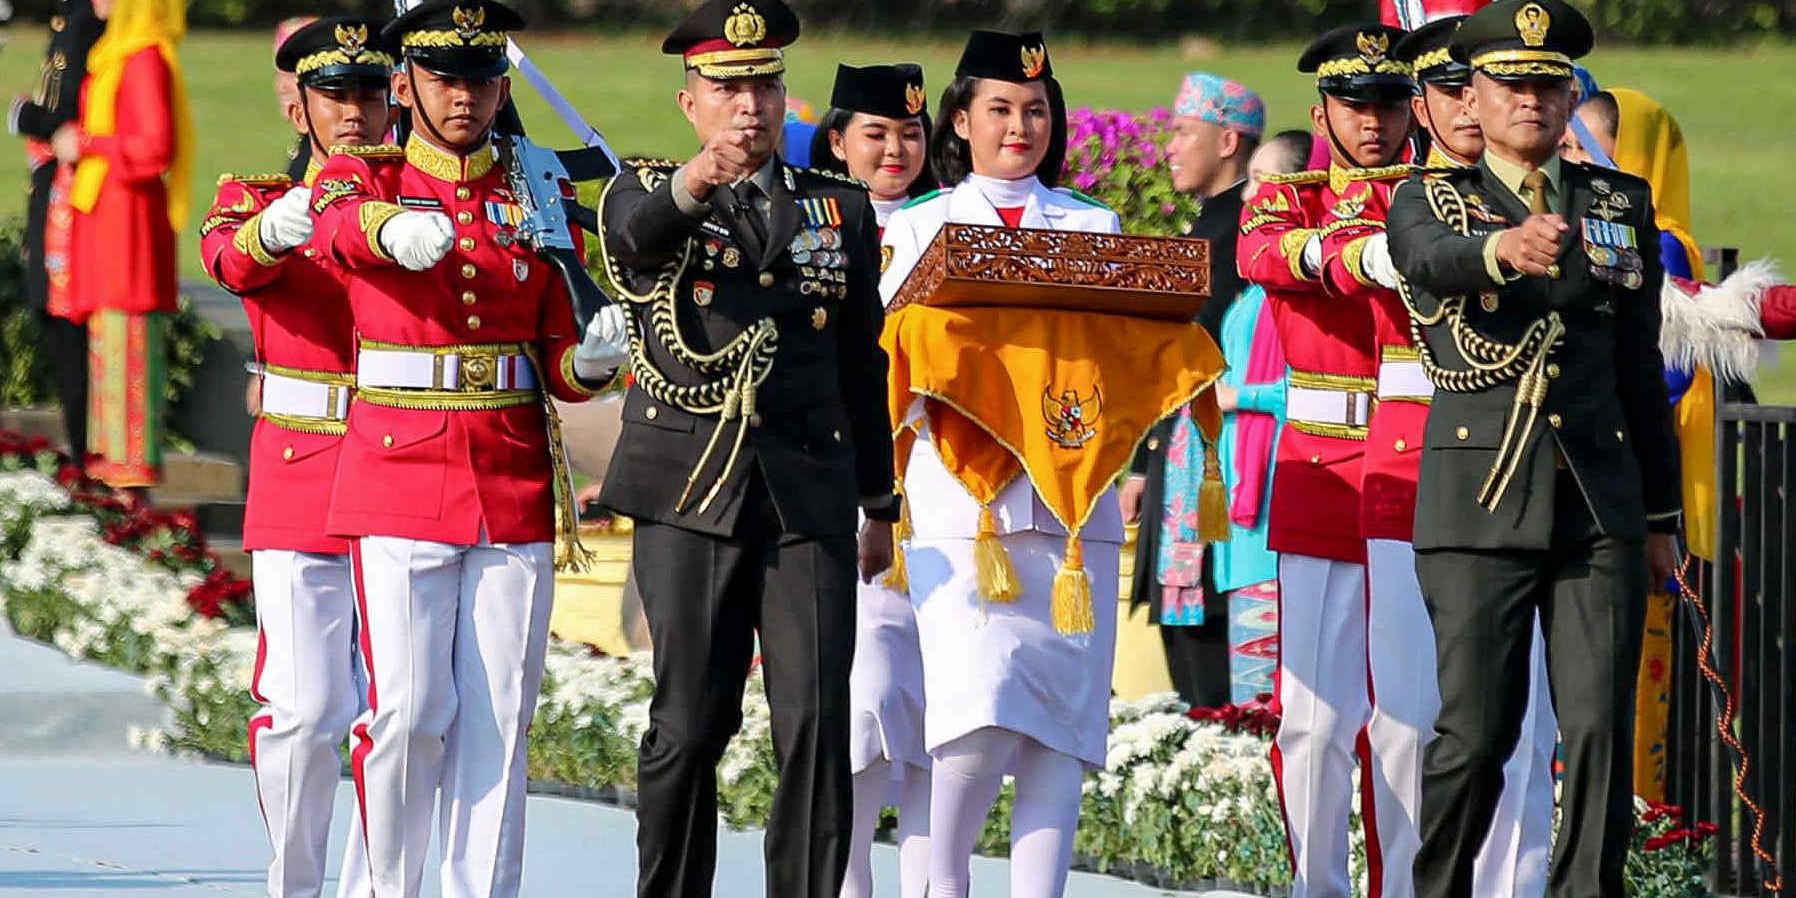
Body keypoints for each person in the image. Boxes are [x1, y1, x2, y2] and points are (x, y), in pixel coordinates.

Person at [593, 1, 898, 895]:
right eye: (727, 88)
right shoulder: (648, 188)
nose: (749, 106)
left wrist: (879, 502)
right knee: (691, 720)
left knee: (814, 720)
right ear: (692, 102)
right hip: (691, 489)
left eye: (763, 86)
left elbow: (859, 361)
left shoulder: (835, 209)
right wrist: (696, 182)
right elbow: (633, 244)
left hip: (808, 493)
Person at [1386, 3, 1682, 895]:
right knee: (1477, 733)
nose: (1532, 101)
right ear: (1471, 95)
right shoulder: (1432, 195)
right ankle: (1438, 887)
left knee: (1597, 731)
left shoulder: (1616, 201)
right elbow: (1425, 257)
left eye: (1548, 84)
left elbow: (1638, 362)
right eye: (1512, 83)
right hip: (1482, 500)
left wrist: (1660, 517)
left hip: (1598, 503)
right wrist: (1502, 248)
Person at [307, 2, 600, 894]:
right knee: (405, 713)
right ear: (404, 86)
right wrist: (388, 230)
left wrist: (590, 362)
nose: (463, 95)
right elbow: (334, 224)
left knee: (501, 722)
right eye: (442, 76)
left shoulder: (531, 185)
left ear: (503, 86)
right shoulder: (370, 176)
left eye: (479, 77)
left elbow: (556, 355)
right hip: (398, 472)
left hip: (507, 477)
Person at [879, 30, 1136, 898]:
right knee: (974, 723)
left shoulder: (1095, 225)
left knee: (1061, 734)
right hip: (963, 507)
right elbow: (890, 366)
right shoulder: (918, 227)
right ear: (962, 118)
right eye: (999, 108)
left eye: (1035, 110)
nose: (1020, 125)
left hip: (1071, 512)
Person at [199, 17, 396, 897]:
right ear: (299, 105)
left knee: (397, 712)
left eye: (368, 92)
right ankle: (297, 883)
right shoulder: (253, 195)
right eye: (332, 95)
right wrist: (283, 226)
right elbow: (230, 260)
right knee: (308, 706)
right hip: (304, 465)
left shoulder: (425, 201)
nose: (353, 111)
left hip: (403, 462)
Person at [1236, 24, 1407, 897]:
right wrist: (1360, 253)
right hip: (1324, 469)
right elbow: (1262, 255)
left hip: (1417, 472)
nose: (1372, 120)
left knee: (1411, 720)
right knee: (1312, 717)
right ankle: (1320, 888)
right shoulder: (1286, 196)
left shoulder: (1442, 196)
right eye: (1354, 103)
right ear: (1321, 111)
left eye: (1387, 101)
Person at [809, 62, 936, 898]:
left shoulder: (951, 227)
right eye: (876, 133)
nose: (896, 149)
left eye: (912, 132)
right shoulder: (809, 228)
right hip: (850, 489)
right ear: (836, 141)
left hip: (949, 494)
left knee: (936, 719)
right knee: (857, 710)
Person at [1121, 71, 1265, 709]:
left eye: (1183, 132)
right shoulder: (1206, 228)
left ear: (1228, 139)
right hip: (1178, 460)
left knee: (1215, 669)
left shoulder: (1244, 235)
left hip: (1221, 472)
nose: (1169, 148)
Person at [58, 0, 194, 493]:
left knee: (128, 351)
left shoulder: (144, 59)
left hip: (128, 234)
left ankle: (129, 487)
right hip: (108, 227)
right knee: (108, 352)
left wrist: (93, 143)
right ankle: (112, 478)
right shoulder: (115, 54)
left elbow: (156, 147)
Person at [8, 0, 103, 461]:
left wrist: (24, 116)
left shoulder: (86, 22)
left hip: (74, 204)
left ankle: (90, 464)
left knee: (72, 343)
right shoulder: (73, 17)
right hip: (56, 195)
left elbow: (64, 117)